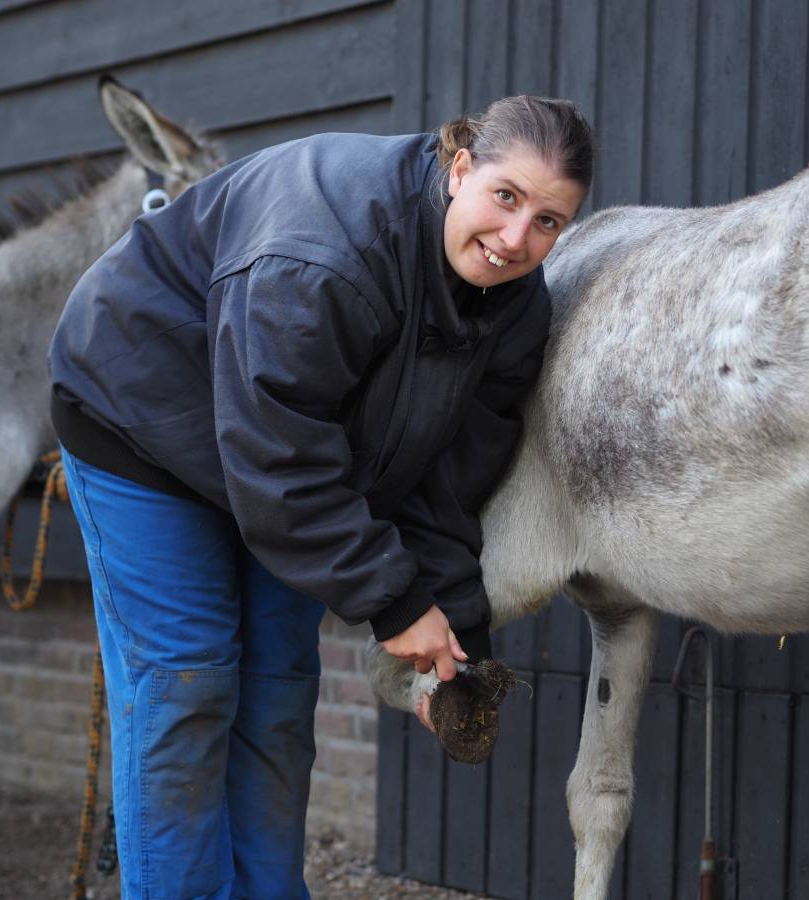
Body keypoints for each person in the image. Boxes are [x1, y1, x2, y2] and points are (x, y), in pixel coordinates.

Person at [48, 94, 593, 899]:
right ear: (461, 166)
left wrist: (455, 642)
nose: (517, 240)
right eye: (506, 198)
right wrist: (396, 603)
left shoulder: (514, 309)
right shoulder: (324, 252)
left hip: (286, 461)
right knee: (188, 686)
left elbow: (445, 478)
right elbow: (280, 457)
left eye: (549, 222)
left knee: (274, 695)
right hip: (144, 417)